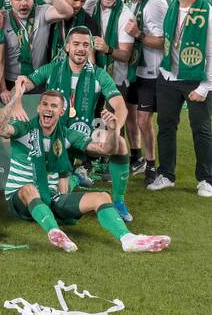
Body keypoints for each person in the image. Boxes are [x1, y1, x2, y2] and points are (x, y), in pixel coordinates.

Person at [0, 85, 170, 253]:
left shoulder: (67, 134)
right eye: (45, 104)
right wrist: (15, 99)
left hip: (52, 197)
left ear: (61, 112)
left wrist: (114, 130)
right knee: (29, 189)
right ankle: (55, 231)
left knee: (102, 196)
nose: (48, 109)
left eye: (54, 106)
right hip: (19, 199)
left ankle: (128, 239)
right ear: (38, 108)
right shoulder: (23, 128)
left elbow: (106, 150)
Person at [18, 26, 133, 220]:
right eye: (76, 44)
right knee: (53, 192)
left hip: (86, 134)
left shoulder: (99, 74)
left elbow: (121, 107)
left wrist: (115, 128)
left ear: (90, 49)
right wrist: (18, 97)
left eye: (86, 45)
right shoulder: (52, 69)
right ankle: (74, 177)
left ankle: (119, 201)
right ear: (67, 47)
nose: (81, 49)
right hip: (55, 135)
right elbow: (24, 83)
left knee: (120, 143)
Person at [149, 0, 212, 197]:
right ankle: (166, 175)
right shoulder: (173, 6)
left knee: (201, 129)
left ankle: (205, 179)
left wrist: (205, 87)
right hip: (168, 75)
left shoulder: (208, 14)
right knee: (166, 127)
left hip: (195, 79)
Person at [122, 0, 167, 181]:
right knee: (130, 115)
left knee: (143, 119)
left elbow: (161, 42)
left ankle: (151, 164)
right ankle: (136, 157)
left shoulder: (156, 3)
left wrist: (138, 34)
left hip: (151, 70)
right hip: (135, 68)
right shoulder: (139, 1)